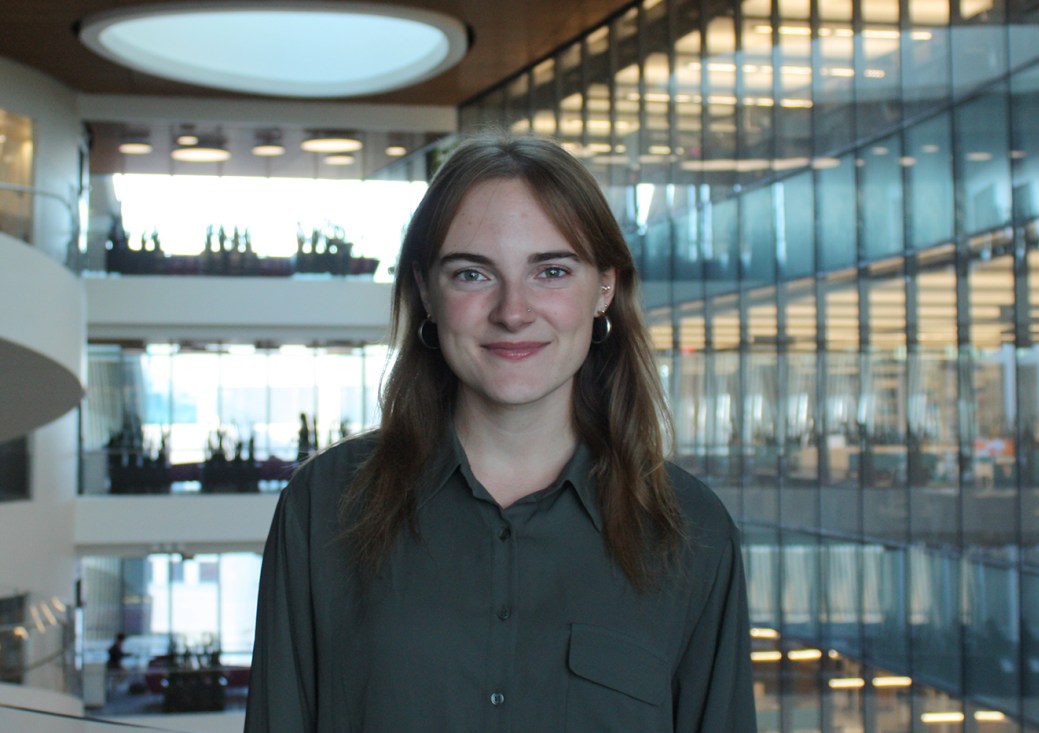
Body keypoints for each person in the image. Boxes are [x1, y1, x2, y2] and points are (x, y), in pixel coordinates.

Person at [245, 134, 757, 732]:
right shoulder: (325, 506)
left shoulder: (691, 531)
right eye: (472, 274)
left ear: (605, 288)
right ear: (427, 293)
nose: (513, 311)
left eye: (552, 271)